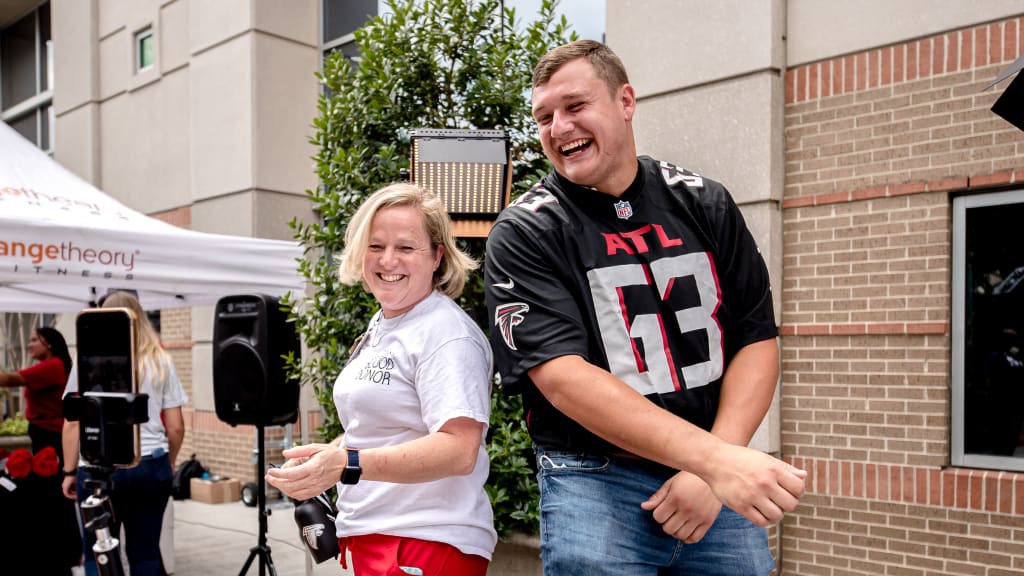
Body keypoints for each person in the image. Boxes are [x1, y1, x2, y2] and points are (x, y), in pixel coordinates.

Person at [483, 39, 808, 575]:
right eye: (544, 116)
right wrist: (715, 462)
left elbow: (755, 338)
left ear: (626, 101)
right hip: (594, 479)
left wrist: (710, 466)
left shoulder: (704, 202)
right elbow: (562, 377)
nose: (558, 127)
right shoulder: (526, 230)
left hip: (712, 473)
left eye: (575, 106)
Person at [266, 183, 496, 575]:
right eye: (376, 246)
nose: (388, 260)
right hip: (378, 538)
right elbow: (389, 426)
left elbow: (459, 450)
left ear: (437, 255)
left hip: (424, 540)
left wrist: (347, 462)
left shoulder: (445, 332)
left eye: (406, 248)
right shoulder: (385, 323)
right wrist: (333, 453)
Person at [61, 291, 187, 576]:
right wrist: (169, 460)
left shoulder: (87, 358)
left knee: (97, 552)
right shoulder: (160, 360)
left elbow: (71, 422)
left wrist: (69, 471)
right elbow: (176, 426)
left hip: (97, 464)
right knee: (146, 554)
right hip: (149, 462)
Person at [0, 326, 81, 574]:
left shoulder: (54, 366)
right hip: (44, 435)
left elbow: (9, 380)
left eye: (35, 340)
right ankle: (66, 549)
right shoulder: (53, 365)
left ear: (50, 344)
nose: (30, 344)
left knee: (57, 494)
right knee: (53, 495)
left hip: (52, 438)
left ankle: (69, 551)